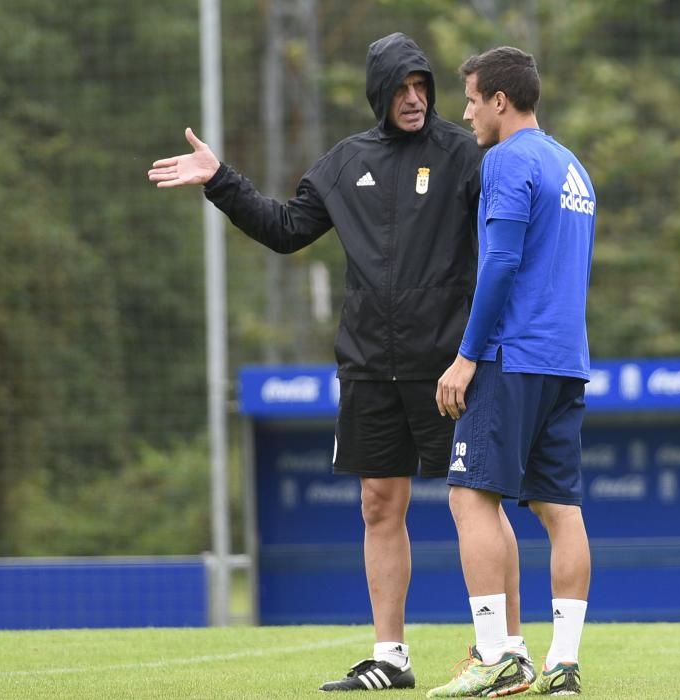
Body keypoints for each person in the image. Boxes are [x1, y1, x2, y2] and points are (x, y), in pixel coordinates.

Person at [148, 33, 530, 692]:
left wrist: (481, 350)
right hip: (366, 369)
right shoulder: (343, 161)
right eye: (401, 89)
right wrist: (220, 181)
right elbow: (286, 229)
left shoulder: (466, 155)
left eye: (422, 88)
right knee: (379, 506)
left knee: (478, 503)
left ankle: (506, 651)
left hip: (448, 368)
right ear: (378, 93)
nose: (413, 100)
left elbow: (508, 235)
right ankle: (391, 658)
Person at [427, 46, 597, 698]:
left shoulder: (504, 160)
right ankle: (563, 664)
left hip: (511, 356)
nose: (466, 111)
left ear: (500, 100)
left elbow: (499, 263)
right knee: (561, 509)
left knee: (470, 495)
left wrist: (466, 357)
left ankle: (497, 653)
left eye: (471, 98)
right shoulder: (572, 166)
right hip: (565, 361)